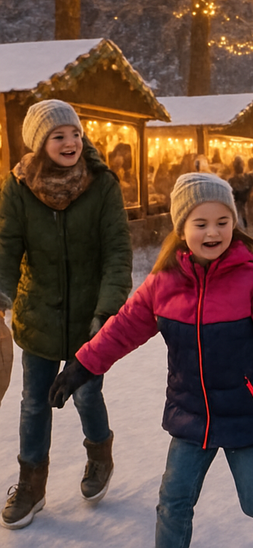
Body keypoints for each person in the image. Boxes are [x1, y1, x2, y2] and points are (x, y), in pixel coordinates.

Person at [47, 173, 253, 548]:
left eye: (223, 222)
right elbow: (122, 328)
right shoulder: (163, 283)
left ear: (234, 225)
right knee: (172, 502)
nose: (213, 232)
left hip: (246, 412)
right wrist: (83, 365)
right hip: (191, 413)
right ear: (181, 227)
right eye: (200, 223)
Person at [0, 100, 132, 529]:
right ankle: (32, 485)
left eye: (75, 133)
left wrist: (107, 311)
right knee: (34, 402)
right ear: (40, 143)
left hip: (88, 319)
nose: (71, 142)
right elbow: (5, 248)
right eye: (59, 136)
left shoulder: (102, 184)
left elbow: (117, 253)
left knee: (86, 393)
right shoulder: (16, 187)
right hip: (37, 314)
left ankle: (99, 457)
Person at [227, 155, 253, 229]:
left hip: (239, 201)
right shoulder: (246, 178)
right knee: (242, 215)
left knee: (240, 215)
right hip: (242, 201)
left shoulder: (233, 180)